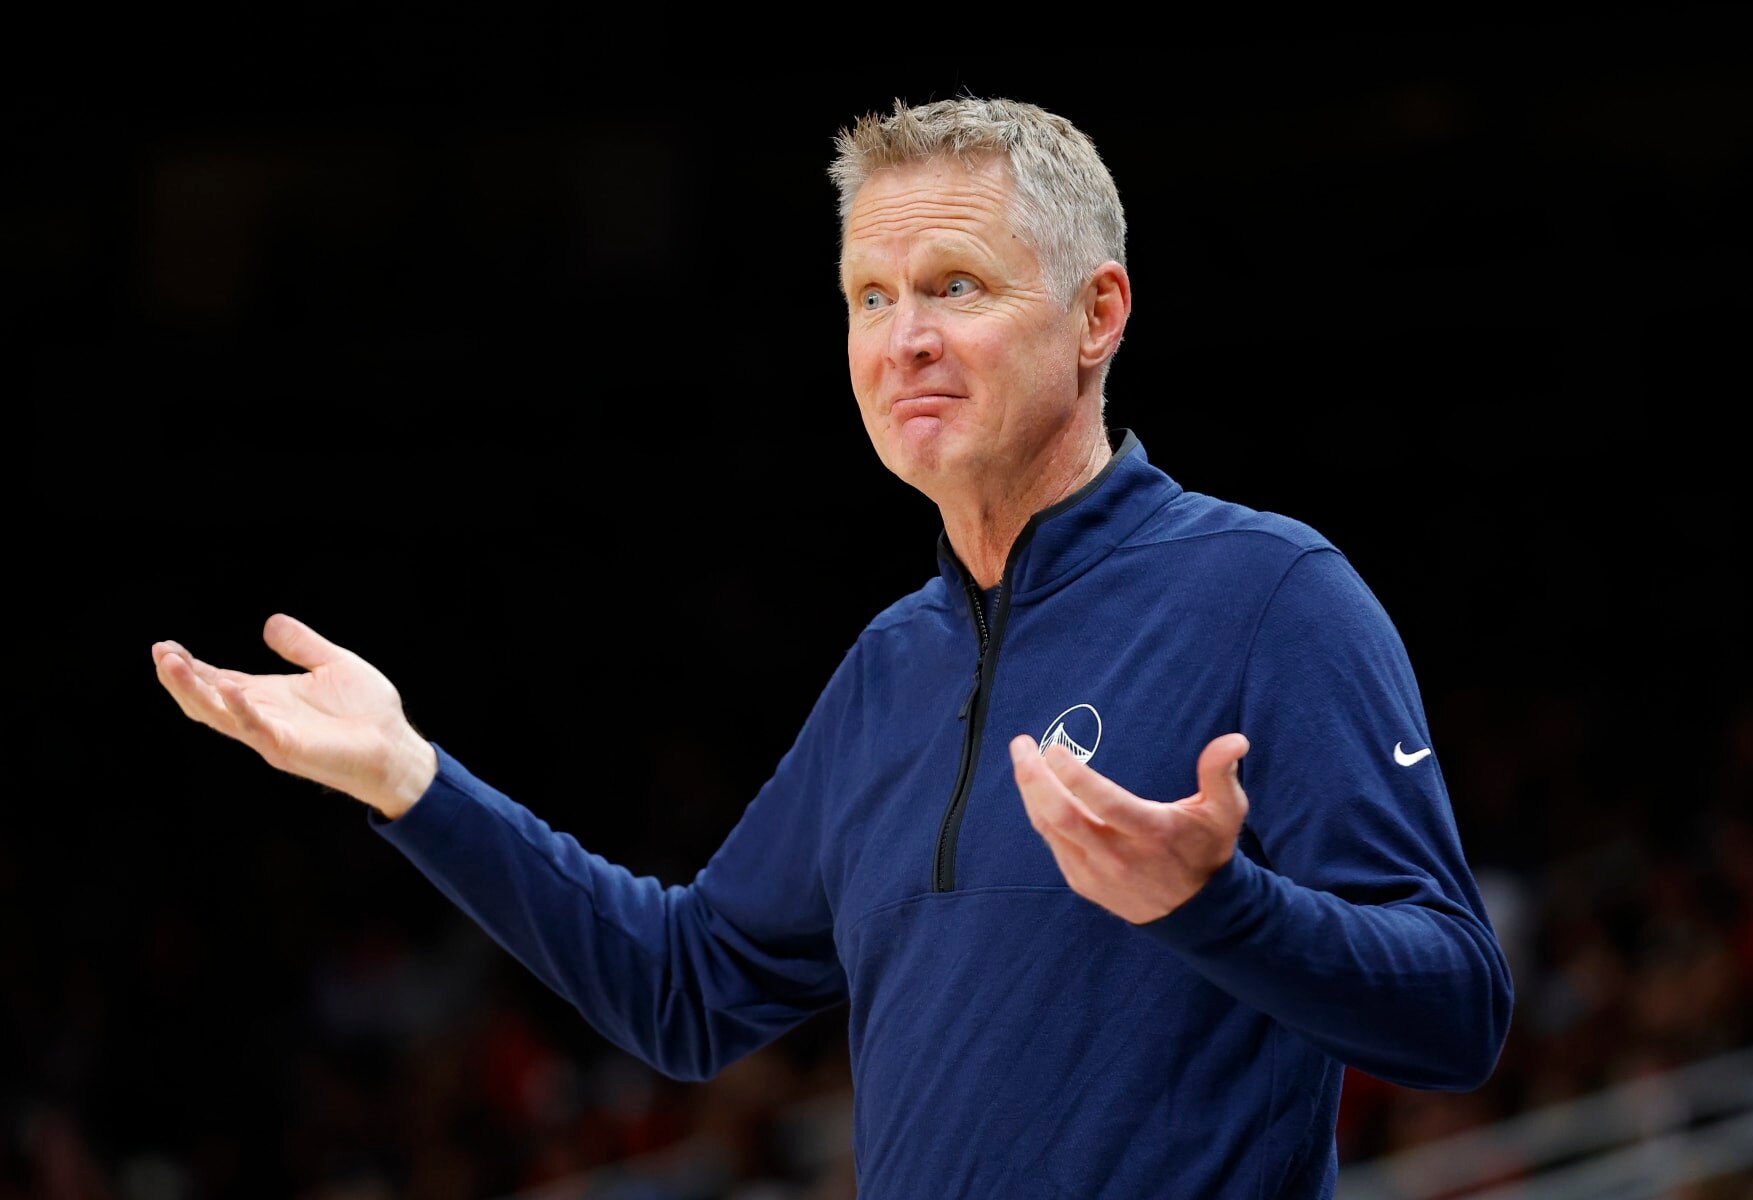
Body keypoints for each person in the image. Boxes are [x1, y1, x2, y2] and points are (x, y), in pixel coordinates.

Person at [150, 96, 1513, 1197]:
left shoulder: (1273, 595)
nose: (903, 340)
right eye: (870, 296)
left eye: (957, 286)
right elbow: (686, 992)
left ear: (1099, 316)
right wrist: (408, 779)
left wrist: (1221, 906)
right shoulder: (892, 668)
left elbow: (1459, 1014)